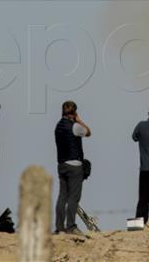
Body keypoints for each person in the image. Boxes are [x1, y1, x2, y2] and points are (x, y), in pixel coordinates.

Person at [54, 100, 91, 235]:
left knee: (62, 196)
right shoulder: (75, 126)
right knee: (73, 197)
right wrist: (79, 120)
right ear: (74, 112)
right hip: (74, 165)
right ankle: (71, 226)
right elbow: (88, 132)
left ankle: (59, 227)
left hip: (61, 164)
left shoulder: (58, 126)